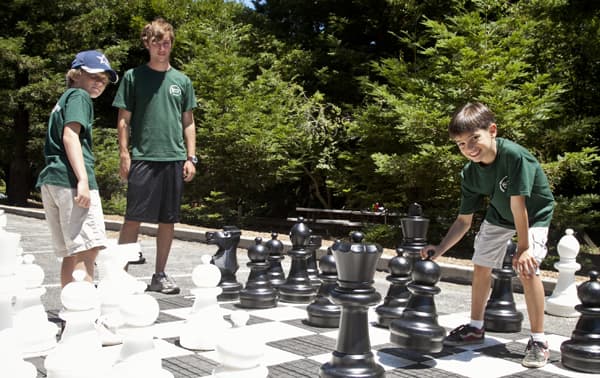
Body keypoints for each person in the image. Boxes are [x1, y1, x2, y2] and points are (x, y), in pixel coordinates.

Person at [420, 102, 555, 368]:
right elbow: (463, 220)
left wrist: (524, 247)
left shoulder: (515, 157)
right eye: (460, 144)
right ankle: (475, 327)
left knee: (527, 268)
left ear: (492, 130)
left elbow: (520, 206)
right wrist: (440, 249)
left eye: (474, 139)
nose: (469, 148)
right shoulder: (469, 173)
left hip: (534, 214)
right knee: (481, 264)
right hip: (500, 214)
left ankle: (539, 341)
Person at [112, 17, 197, 294]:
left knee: (168, 220)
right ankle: (118, 275)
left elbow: (189, 122)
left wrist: (191, 157)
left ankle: (159, 275)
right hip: (143, 157)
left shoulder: (181, 80)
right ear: (147, 44)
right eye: (157, 43)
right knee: (132, 218)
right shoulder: (133, 77)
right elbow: (123, 119)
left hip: (174, 159)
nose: (163, 48)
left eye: (167, 43)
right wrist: (124, 154)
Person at [37, 50, 118, 288]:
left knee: (71, 253)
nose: (99, 83)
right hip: (71, 180)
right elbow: (70, 136)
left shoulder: (64, 99)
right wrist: (82, 180)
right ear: (76, 74)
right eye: (94, 76)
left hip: (53, 179)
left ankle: (69, 313)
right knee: (88, 250)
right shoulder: (80, 97)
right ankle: (85, 316)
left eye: (104, 79)